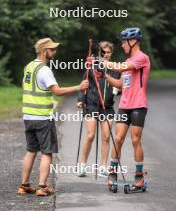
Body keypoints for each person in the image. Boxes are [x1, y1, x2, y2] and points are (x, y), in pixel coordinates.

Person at [18, 37, 89, 196]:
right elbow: (57, 91)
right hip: (42, 117)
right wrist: (80, 86)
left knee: (31, 150)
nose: (54, 52)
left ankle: (24, 185)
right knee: (47, 152)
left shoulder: (29, 66)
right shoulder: (44, 69)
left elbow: (25, 85)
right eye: (52, 49)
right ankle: (42, 187)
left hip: (28, 117)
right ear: (44, 51)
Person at [104, 28, 151, 188]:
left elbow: (119, 66)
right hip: (124, 105)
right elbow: (120, 85)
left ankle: (139, 176)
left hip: (138, 105)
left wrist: (104, 63)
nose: (122, 45)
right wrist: (105, 75)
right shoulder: (127, 64)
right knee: (118, 139)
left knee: (135, 139)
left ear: (134, 42)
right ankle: (112, 173)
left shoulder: (141, 58)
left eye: (124, 42)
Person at [77, 41, 121, 177]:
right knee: (90, 135)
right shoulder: (92, 65)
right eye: (103, 52)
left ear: (111, 53)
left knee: (106, 137)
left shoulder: (115, 68)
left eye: (108, 52)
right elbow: (84, 83)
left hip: (107, 107)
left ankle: (103, 166)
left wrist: (118, 91)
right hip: (91, 103)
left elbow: (119, 87)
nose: (106, 54)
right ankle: (82, 165)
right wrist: (80, 100)